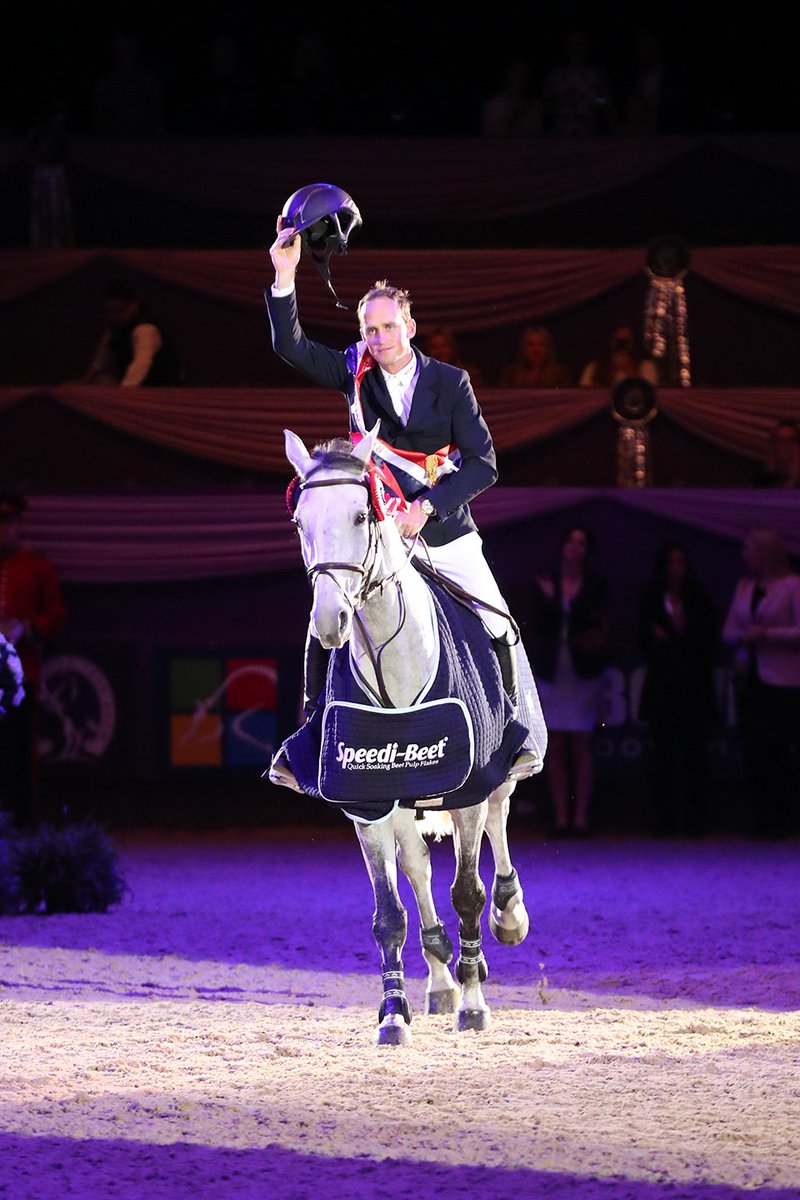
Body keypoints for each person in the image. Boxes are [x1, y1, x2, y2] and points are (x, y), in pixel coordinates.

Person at [266, 214, 537, 781]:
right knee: (328, 617)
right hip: (383, 535)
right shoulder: (353, 372)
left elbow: (484, 464)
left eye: (389, 327)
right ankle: (308, 742)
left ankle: (515, 736)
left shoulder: (451, 382)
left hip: (446, 531)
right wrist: (285, 275)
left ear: (410, 326)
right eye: (370, 330)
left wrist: (428, 507)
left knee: (500, 625)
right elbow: (290, 346)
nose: (380, 338)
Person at [526, 526, 609, 837]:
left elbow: (595, 623)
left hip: (584, 670)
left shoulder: (595, 585)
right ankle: (561, 817)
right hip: (553, 669)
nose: (575, 546)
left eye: (581, 541)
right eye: (570, 540)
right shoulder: (546, 582)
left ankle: (581, 817)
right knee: (557, 744)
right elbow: (540, 627)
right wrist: (551, 600)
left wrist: (565, 605)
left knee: (582, 743)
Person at [722, 527, 800, 839]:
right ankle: (761, 818)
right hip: (749, 679)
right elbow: (728, 630)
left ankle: (784, 820)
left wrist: (768, 635)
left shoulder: (793, 586)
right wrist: (745, 636)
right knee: (754, 750)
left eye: (749, 549)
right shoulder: (744, 587)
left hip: (782, 681)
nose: (744, 556)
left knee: (780, 750)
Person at [638, 540, 719, 837]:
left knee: (695, 755)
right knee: (663, 756)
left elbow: (706, 639)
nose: (676, 568)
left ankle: (696, 822)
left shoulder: (698, 598)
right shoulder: (652, 597)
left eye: (680, 562)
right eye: (670, 562)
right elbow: (644, 639)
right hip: (662, 690)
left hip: (695, 690)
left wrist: (672, 637)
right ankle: (665, 822)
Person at [0, 493, 67, 829]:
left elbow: (55, 617)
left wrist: (25, 628)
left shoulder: (36, 567)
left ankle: (23, 823)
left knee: (19, 752)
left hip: (20, 674)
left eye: (9, 523)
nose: (3, 531)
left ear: (18, 525)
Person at [73, 279, 184, 387]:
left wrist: (122, 395)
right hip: (136, 388)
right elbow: (101, 359)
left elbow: (140, 365)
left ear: (134, 305)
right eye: (109, 311)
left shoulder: (145, 329)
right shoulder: (116, 326)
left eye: (119, 311)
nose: (113, 316)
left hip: (161, 389)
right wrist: (84, 383)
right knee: (99, 380)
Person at [579, 322, 660, 387]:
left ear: (633, 342)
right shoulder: (594, 368)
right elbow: (584, 396)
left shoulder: (647, 367)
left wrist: (629, 370)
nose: (621, 345)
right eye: (618, 341)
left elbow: (650, 395)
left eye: (625, 341)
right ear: (610, 341)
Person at [499, 325, 574, 388]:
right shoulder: (511, 374)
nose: (536, 350)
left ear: (548, 348)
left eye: (541, 344)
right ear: (523, 348)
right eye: (531, 344)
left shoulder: (560, 375)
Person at [753, 419, 800, 488]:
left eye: (791, 440)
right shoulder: (762, 474)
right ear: (774, 444)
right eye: (781, 440)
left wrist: (794, 478)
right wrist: (770, 472)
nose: (786, 445)